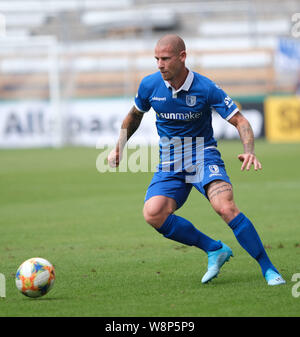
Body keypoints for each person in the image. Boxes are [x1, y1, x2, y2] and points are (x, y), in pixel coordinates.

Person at [108, 34, 285, 286]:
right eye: (156, 58)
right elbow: (133, 116)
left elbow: (240, 121)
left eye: (165, 58)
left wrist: (249, 149)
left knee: (225, 207)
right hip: (170, 160)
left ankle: (268, 268)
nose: (159, 64)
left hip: (202, 154)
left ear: (182, 57)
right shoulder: (150, 85)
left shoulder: (206, 88)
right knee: (153, 213)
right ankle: (215, 249)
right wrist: (119, 148)